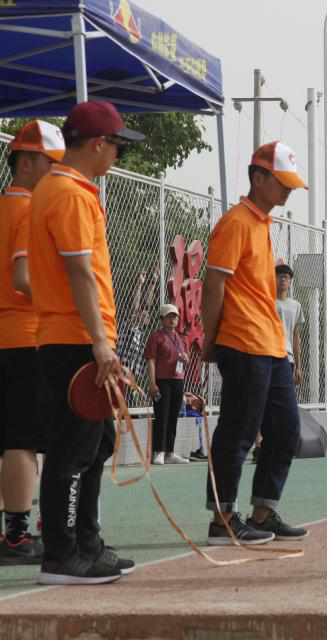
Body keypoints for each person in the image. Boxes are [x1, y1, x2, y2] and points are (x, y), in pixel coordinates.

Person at [30, 101, 143, 584]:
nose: (118, 155)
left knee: (96, 444)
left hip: (76, 336)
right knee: (73, 449)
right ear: (98, 144)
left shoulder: (57, 188)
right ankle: (61, 555)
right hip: (76, 339)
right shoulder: (71, 195)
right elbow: (79, 273)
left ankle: (86, 543)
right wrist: (100, 342)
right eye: (117, 146)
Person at [201, 140, 309, 545]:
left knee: (286, 430)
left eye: (291, 184)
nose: (288, 190)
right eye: (282, 182)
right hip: (244, 342)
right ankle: (223, 519)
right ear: (258, 178)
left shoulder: (262, 223)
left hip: (272, 345)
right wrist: (210, 339)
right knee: (238, 431)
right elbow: (213, 286)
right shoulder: (236, 222)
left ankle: (261, 515)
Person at [0, 120, 64, 566]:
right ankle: (17, 537)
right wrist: (67, 297)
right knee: (22, 442)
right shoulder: (29, 209)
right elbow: (24, 278)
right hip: (25, 337)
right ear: (25, 163)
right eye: (50, 162)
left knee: (7, 441)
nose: (57, 171)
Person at [253, 263, 304, 463]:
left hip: (287, 359)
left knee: (284, 406)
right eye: (279, 276)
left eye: (286, 277)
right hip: (265, 355)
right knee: (261, 403)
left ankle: (277, 445)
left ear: (290, 281)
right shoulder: (265, 301)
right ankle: (259, 446)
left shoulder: (295, 305)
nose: (283, 279)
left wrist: (298, 365)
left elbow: (296, 336)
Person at [144, 303, 190, 465]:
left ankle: (169, 452)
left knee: (173, 416)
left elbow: (186, 359)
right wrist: (152, 383)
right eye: (169, 316)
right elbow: (151, 361)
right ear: (162, 318)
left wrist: (186, 358)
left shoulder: (180, 337)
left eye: (175, 316)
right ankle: (159, 452)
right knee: (162, 415)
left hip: (178, 380)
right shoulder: (156, 336)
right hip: (161, 380)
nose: (172, 319)